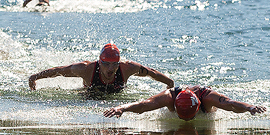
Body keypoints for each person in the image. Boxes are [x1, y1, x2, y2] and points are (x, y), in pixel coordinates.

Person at [28, 43, 174, 94]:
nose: (111, 68)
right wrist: (35, 77)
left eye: (114, 64)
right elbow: (59, 71)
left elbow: (151, 73)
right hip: (89, 96)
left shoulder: (127, 68)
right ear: (99, 62)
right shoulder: (86, 69)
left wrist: (169, 83)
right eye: (106, 64)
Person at [104, 84, 266, 120]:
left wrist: (250, 107)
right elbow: (144, 105)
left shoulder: (208, 98)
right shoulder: (169, 97)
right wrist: (121, 108)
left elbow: (230, 104)